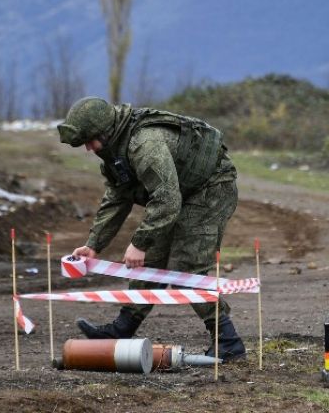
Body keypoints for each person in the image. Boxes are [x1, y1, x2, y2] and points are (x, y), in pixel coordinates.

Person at [57, 97, 246, 361]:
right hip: (181, 191)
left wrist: (140, 241)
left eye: (90, 140)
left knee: (186, 267)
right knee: (151, 264)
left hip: (210, 189)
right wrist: (94, 244)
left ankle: (228, 341)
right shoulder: (114, 152)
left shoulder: (144, 144)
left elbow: (167, 199)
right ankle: (122, 329)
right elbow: (116, 198)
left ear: (106, 132)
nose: (88, 148)